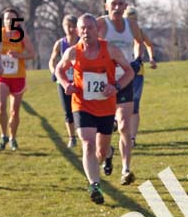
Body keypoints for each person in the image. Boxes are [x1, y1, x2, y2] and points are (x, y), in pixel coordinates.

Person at [55, 13, 134, 204]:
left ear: (96, 30)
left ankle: (107, 154)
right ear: (77, 30)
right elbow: (59, 69)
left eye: (89, 27)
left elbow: (129, 71)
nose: (85, 31)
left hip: (106, 106)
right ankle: (94, 185)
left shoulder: (110, 49)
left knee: (100, 150)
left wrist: (115, 86)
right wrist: (66, 84)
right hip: (82, 104)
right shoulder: (73, 52)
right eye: (82, 28)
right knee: (87, 143)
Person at [97, 0, 144, 185]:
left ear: (125, 7)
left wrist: (136, 60)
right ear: (106, 6)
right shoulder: (100, 24)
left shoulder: (130, 25)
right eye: (113, 4)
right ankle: (107, 153)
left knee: (124, 125)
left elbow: (139, 42)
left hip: (125, 80)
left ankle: (126, 168)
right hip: (104, 82)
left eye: (120, 4)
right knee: (104, 130)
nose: (117, 8)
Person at [0, 7, 36, 152]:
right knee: (1, 107)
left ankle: (12, 137)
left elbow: (32, 54)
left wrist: (19, 56)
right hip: (2, 76)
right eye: (7, 19)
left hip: (18, 76)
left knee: (15, 111)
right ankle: (3, 135)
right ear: (3, 21)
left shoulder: (22, 35)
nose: (10, 21)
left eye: (13, 19)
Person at [123, 5, 157, 148]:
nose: (132, 22)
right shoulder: (119, 32)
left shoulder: (139, 31)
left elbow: (148, 44)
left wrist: (151, 58)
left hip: (137, 72)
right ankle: (122, 131)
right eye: (130, 19)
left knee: (134, 105)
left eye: (135, 19)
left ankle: (132, 138)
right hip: (121, 71)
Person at [48, 14, 79, 148]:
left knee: (81, 109)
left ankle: (84, 133)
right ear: (63, 27)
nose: (71, 29)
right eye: (68, 26)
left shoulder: (81, 42)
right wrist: (53, 71)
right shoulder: (60, 44)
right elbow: (52, 60)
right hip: (64, 81)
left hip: (79, 80)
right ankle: (72, 137)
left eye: (73, 26)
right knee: (68, 111)